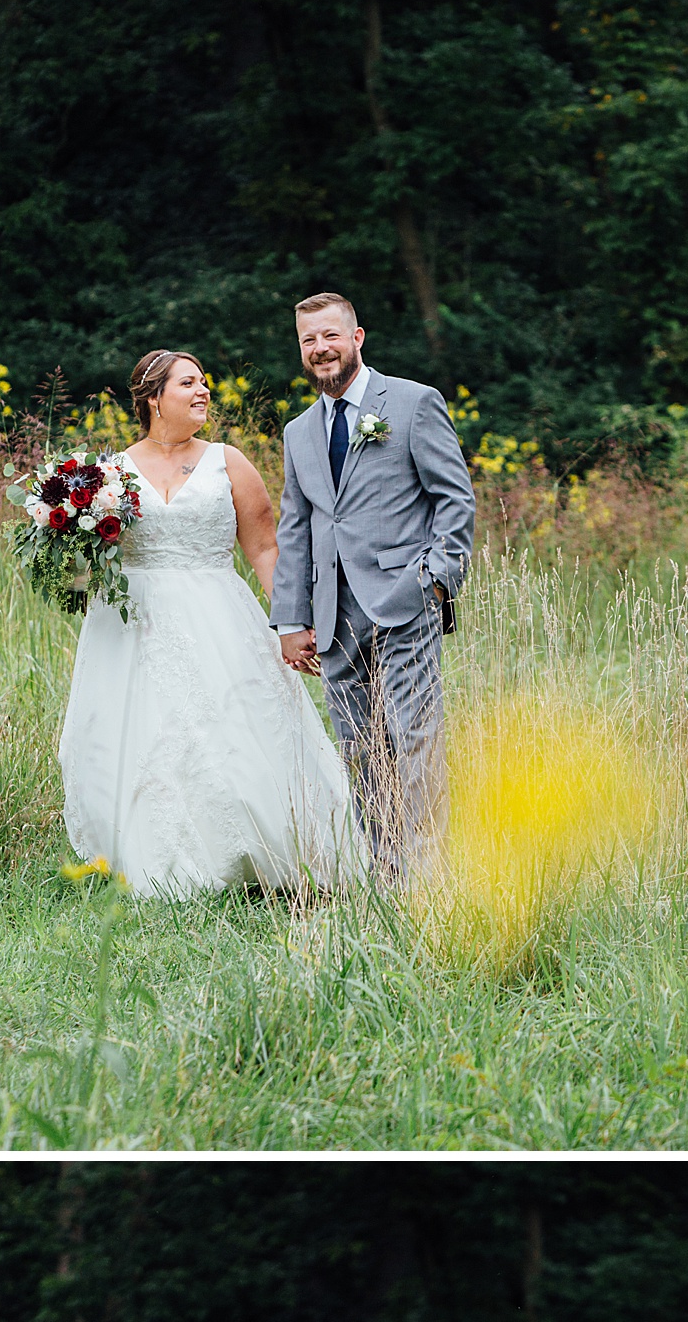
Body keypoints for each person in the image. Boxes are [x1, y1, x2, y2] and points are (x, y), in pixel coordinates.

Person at [56, 350, 365, 898]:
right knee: (144, 737)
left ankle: (261, 855)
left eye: (204, 383)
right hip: (132, 626)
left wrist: (292, 622)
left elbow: (266, 548)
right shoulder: (108, 474)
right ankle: (152, 858)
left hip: (219, 617)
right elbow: (88, 564)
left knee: (231, 732)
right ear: (153, 398)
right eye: (188, 384)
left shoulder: (228, 461)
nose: (203, 392)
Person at [271, 294, 476, 880]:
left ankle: (432, 873)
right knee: (361, 751)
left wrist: (436, 581)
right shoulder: (299, 432)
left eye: (330, 335)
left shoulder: (412, 403)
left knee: (414, 738)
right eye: (309, 340)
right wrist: (290, 619)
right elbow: (298, 525)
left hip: (406, 602)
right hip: (334, 616)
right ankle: (388, 872)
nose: (321, 349)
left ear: (358, 337)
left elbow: (454, 500)